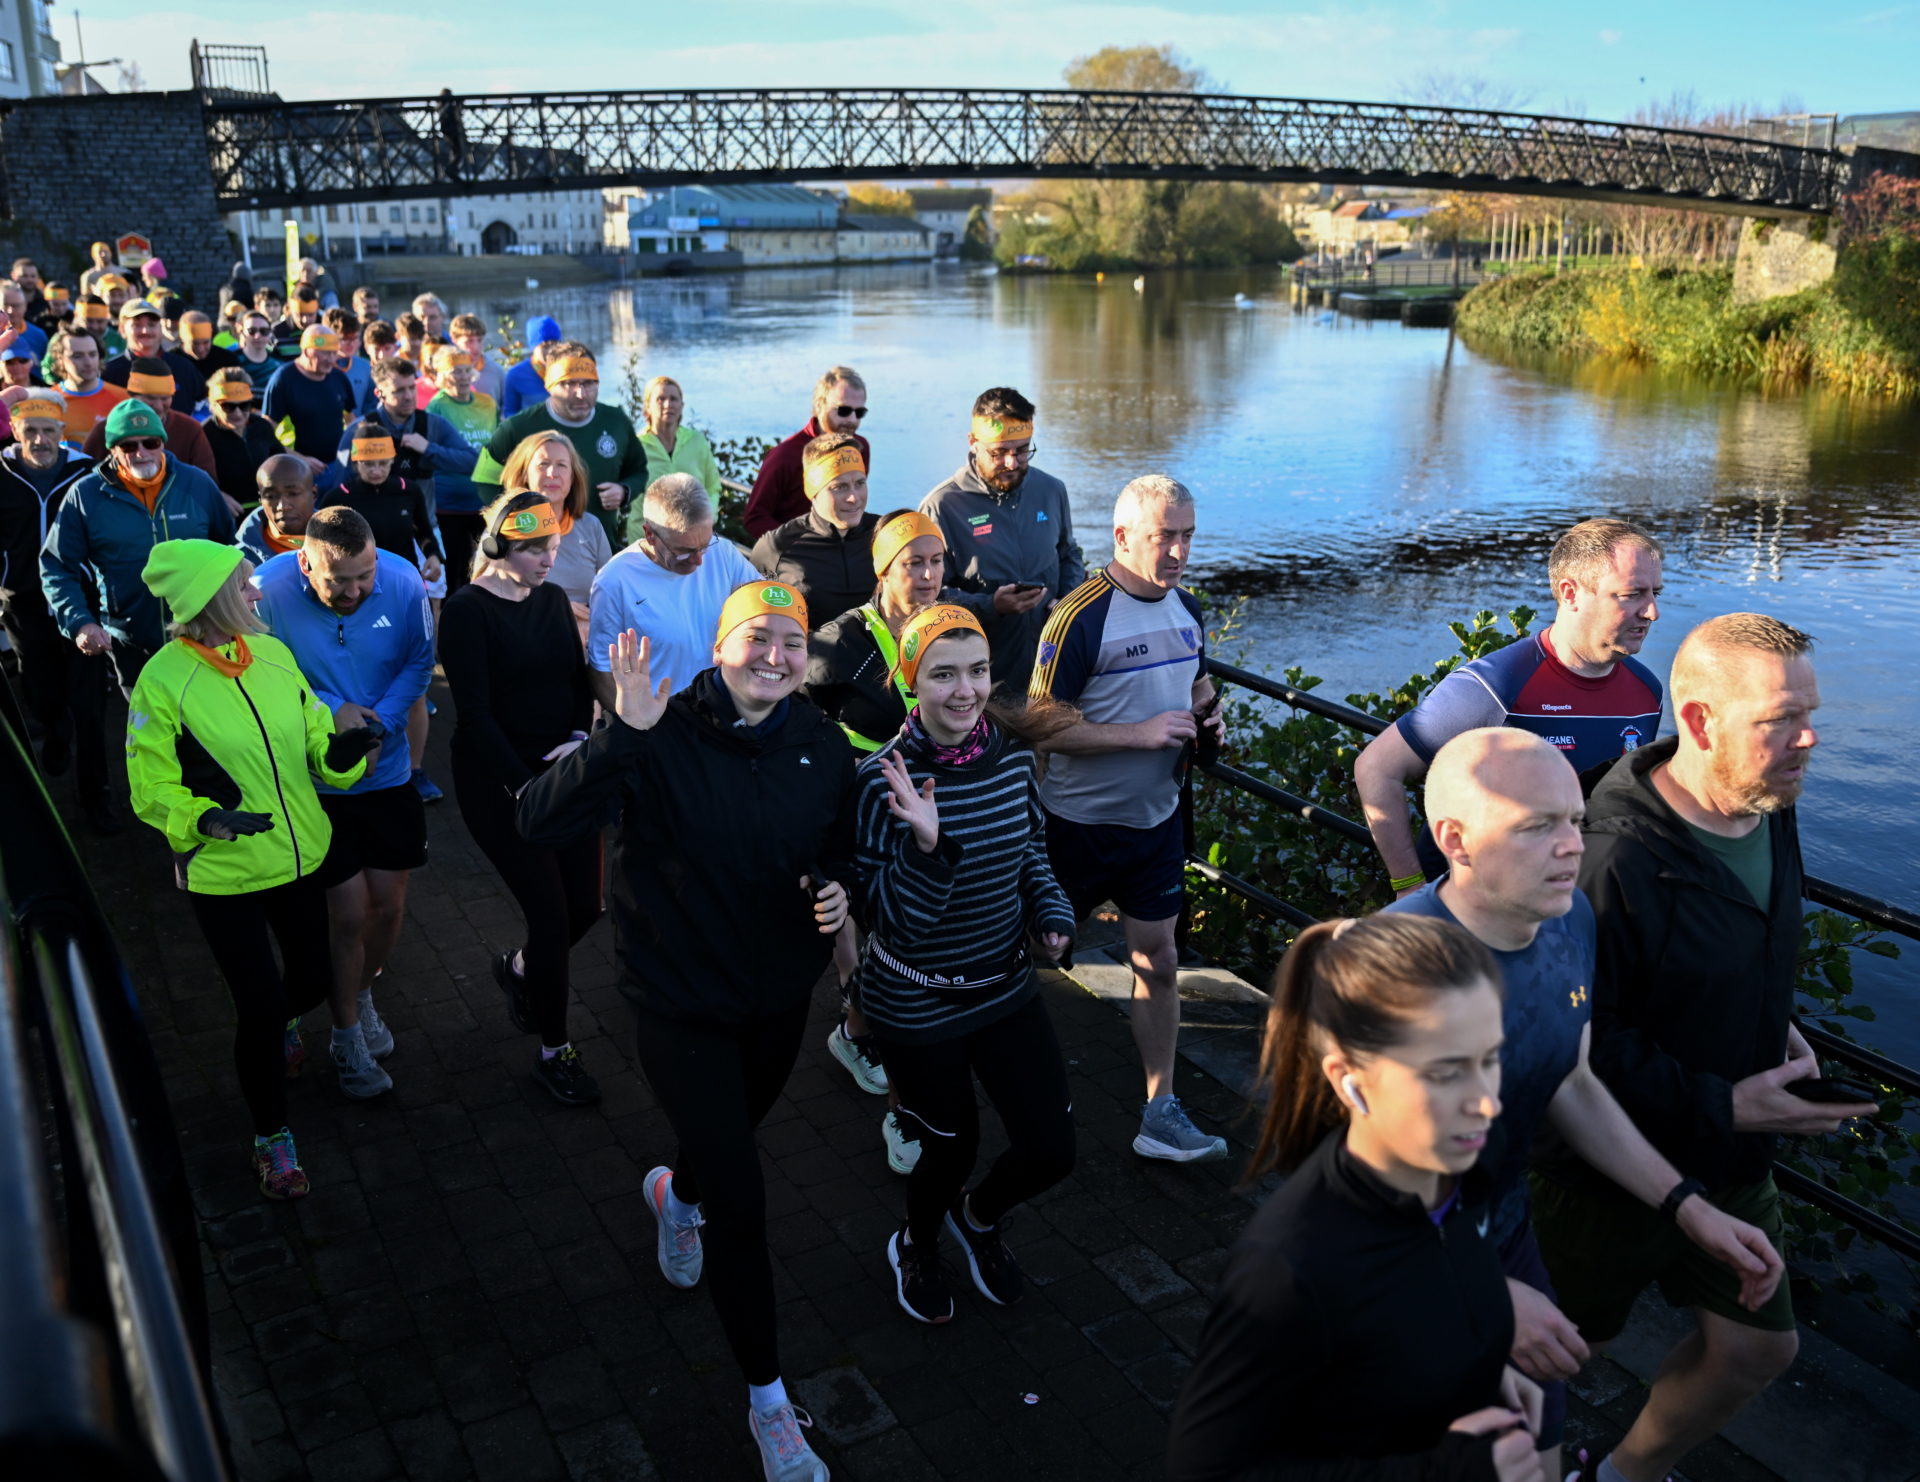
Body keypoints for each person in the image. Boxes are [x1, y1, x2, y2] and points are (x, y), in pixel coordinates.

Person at [518, 581, 854, 1482]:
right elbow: (536, 820)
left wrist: (835, 885)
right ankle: (771, 1405)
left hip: (780, 996)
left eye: (792, 642)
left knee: (728, 1146)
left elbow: (841, 845)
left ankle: (675, 1195)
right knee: (745, 1203)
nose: (775, 657)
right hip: (676, 1002)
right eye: (757, 638)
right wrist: (620, 732)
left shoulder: (821, 746)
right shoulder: (654, 729)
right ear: (718, 644)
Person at [1386, 727, 1786, 1478]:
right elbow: (1347, 1188)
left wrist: (1689, 1207)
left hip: (1505, 1241)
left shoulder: (1568, 920)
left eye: (1575, 819)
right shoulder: (1395, 972)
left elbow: (1573, 1082)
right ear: (1455, 840)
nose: (1572, 845)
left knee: (1529, 1455)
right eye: (1538, 826)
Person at [1532, 614, 1867, 1482]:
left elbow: (1740, 940)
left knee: (1759, 1347)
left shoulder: (1765, 800)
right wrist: (1726, 1100)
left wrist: (1772, 1022)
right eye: (1779, 721)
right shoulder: (1610, 860)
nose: (1808, 737)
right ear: (1701, 720)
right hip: (1603, 1180)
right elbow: (1567, 1045)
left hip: (1729, 1159)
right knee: (1561, 1354)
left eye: (1809, 712)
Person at [1165, 914, 1544, 1482]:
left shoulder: (1472, 1157)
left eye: (1489, 1060)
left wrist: (1480, 1370)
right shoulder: (1287, 1266)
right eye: (1445, 1073)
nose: (1486, 1102)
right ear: (1349, 1080)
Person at [125, 540, 380, 1199]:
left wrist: (346, 750)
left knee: (311, 981)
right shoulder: (162, 680)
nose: (259, 591)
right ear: (213, 601)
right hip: (224, 875)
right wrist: (205, 820)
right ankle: (273, 1139)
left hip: (298, 857)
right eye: (245, 584)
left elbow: (316, 742)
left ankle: (282, 1027)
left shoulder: (272, 654)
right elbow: (149, 786)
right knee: (259, 1007)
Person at [854, 603, 1078, 1325]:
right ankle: (916, 1242)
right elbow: (894, 922)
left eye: (978, 672)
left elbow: (1031, 851)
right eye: (943, 674)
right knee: (949, 1148)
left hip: (1003, 985)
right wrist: (928, 847)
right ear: (909, 681)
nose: (965, 691)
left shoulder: (1012, 755)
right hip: (916, 1002)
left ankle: (975, 1219)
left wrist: (1051, 914)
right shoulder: (876, 783)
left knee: (1051, 1149)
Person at [1029, 474, 1225, 1163]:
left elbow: (1197, 684)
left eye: (1187, 536)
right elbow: (1042, 729)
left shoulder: (1187, 608)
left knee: (1160, 957)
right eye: (1164, 536)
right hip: (1076, 827)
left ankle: (1159, 1109)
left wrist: (1209, 715)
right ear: (1121, 537)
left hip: (1155, 825)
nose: (1178, 551)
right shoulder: (1080, 616)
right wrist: (1142, 734)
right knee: (1033, 955)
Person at [1354, 519, 1666, 896]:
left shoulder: (1647, 691)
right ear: (1570, 593)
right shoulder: (1495, 686)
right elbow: (1376, 768)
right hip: (1478, 915)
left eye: (1655, 593)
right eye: (1632, 594)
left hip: (1580, 907)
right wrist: (1409, 888)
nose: (1652, 612)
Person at [254, 506, 434, 1101]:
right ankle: (346, 1036)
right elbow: (259, 669)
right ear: (305, 564)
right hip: (317, 785)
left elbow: (417, 661)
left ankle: (358, 994)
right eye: (339, 582)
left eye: (365, 576)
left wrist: (379, 721)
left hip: (387, 775)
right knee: (348, 915)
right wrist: (330, 705)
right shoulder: (269, 591)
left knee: (389, 906)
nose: (356, 591)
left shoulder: (403, 582)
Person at [438, 493, 604, 1106]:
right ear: (499, 545)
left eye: (553, 547)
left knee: (586, 907)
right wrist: (528, 784)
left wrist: (582, 739)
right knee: (552, 917)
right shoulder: (465, 612)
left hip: (562, 769)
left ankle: (518, 969)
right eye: (535, 548)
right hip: (499, 783)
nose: (547, 559)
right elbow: (476, 718)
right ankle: (554, 1051)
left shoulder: (555, 600)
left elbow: (573, 681)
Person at [41, 399, 236, 701]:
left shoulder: (197, 483)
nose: (141, 452)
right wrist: (80, 622)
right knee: (152, 735)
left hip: (204, 635)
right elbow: (56, 566)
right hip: (132, 644)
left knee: (209, 731)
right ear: (112, 450)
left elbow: (230, 552)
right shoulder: (86, 495)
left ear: (162, 442)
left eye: (150, 442)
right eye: (128, 446)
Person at [920, 386, 1083, 691]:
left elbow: (1068, 553)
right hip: (981, 680)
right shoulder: (942, 506)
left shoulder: (1051, 490)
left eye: (1022, 450)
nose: (1012, 463)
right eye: (999, 453)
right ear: (973, 443)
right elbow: (928, 595)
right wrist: (991, 605)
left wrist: (1067, 602)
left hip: (1052, 666)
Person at [805, 510, 990, 755]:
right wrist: (835, 762)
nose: (929, 574)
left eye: (936, 561)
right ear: (884, 571)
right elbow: (794, 713)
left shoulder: (954, 625)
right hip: (867, 781)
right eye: (914, 563)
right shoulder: (840, 640)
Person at [0, 387, 101, 800]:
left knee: (90, 703)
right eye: (30, 431)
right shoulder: (2, 473)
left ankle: (98, 795)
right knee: (40, 690)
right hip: (22, 600)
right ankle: (56, 731)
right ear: (14, 431)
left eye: (48, 430)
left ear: (62, 430)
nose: (40, 440)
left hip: (80, 599)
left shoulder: (86, 472)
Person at [586, 473, 759, 705]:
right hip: (661, 721)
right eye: (684, 551)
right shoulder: (614, 581)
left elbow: (763, 610)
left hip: (725, 710)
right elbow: (602, 670)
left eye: (705, 546)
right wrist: (632, 728)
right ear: (650, 534)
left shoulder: (724, 553)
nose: (699, 561)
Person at [474, 343, 647, 549]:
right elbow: (483, 480)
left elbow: (638, 471)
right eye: (569, 384)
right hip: (534, 550)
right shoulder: (518, 427)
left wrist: (624, 491)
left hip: (599, 547)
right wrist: (518, 518)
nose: (581, 393)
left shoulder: (616, 421)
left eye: (588, 383)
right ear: (549, 384)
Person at [750, 434, 879, 628]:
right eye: (840, 487)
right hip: (809, 656)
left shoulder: (885, 534)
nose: (854, 497)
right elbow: (752, 619)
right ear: (813, 490)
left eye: (860, 483)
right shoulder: (777, 547)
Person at [332, 357, 477, 514]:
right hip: (372, 528)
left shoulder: (433, 424)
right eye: (399, 390)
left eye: (411, 387)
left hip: (422, 529)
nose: (408, 396)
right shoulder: (360, 430)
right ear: (379, 393)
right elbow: (341, 487)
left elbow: (472, 462)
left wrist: (428, 449)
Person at [744, 365, 871, 537]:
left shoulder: (859, 448)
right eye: (844, 410)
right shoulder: (784, 456)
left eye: (859, 412)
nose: (852, 420)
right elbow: (755, 518)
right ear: (819, 405)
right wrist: (798, 548)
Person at [502, 430, 609, 620]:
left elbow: (611, 591)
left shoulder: (591, 526)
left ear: (573, 476)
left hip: (584, 636)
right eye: (543, 464)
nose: (552, 473)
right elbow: (491, 593)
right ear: (525, 473)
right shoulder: (505, 526)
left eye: (562, 465)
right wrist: (558, 608)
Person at [321, 420, 443, 582]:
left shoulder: (408, 490)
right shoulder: (338, 498)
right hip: (359, 584)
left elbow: (424, 533)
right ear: (356, 463)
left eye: (383, 463)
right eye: (368, 464)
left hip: (403, 578)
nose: (376, 471)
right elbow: (320, 544)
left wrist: (433, 556)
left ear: (392, 460)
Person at [425, 346, 500, 593]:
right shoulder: (437, 407)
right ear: (444, 375)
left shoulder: (487, 403)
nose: (463, 376)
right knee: (456, 570)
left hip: (485, 501)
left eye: (467, 370)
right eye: (456, 371)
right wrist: (468, 460)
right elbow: (432, 454)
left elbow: (499, 445)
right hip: (450, 505)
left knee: (491, 564)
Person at [81, 358, 220, 487]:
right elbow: (86, 478)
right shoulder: (109, 430)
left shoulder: (189, 429)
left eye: (165, 398)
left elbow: (207, 482)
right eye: (150, 398)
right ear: (131, 396)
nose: (158, 406)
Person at [263, 327, 358, 466]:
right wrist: (300, 459)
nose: (331, 360)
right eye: (325, 354)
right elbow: (264, 434)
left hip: (337, 464)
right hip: (298, 468)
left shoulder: (338, 377)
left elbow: (352, 420)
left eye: (334, 353)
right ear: (306, 351)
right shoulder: (284, 379)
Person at [103, 298, 207, 413]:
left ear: (160, 328)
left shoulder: (184, 367)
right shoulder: (109, 374)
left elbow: (204, 408)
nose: (145, 331)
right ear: (122, 330)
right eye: (137, 325)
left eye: (152, 325)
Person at [203, 369, 283, 509]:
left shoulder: (262, 427)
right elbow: (193, 479)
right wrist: (217, 496)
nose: (238, 413)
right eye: (228, 406)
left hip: (267, 510)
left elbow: (280, 463)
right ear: (214, 406)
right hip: (228, 515)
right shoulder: (204, 434)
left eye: (244, 405)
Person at [637, 375, 720, 496]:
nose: (668, 404)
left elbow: (713, 487)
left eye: (673, 399)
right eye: (661, 399)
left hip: (695, 515)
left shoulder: (697, 442)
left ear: (682, 405)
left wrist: (708, 513)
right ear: (648, 406)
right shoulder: (637, 447)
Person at [236, 455, 318, 568]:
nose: (282, 506)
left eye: (293, 494)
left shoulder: (344, 545)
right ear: (260, 500)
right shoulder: (240, 561)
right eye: (271, 496)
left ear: (313, 494)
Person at [48, 328, 127, 442]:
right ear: (60, 359)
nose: (88, 362)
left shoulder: (122, 400)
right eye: (78, 356)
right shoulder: (49, 401)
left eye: (92, 354)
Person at [500, 314, 561, 417]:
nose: (550, 351)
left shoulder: (568, 370)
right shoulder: (516, 375)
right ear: (533, 347)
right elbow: (509, 414)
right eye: (544, 346)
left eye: (554, 344)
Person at [325, 308, 374, 415]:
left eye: (355, 338)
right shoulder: (320, 368)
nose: (351, 344)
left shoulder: (366, 367)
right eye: (344, 339)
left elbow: (371, 405)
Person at [448, 314, 504, 404]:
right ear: (454, 340)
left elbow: (505, 410)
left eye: (480, 340)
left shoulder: (497, 371)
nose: (476, 348)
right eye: (469, 341)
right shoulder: (445, 372)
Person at [177, 309, 242, 383]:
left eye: (206, 343)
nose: (201, 349)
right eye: (195, 343)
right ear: (182, 339)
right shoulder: (172, 362)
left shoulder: (227, 360)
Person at [232, 308, 282, 395]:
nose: (257, 336)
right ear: (242, 332)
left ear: (270, 333)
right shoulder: (231, 361)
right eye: (251, 331)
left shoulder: (279, 362)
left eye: (264, 331)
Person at [1, 281, 48, 368]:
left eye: (16, 306)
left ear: (25, 306)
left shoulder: (39, 336)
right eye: (5, 305)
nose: (10, 311)